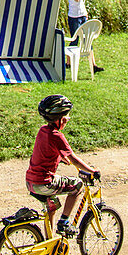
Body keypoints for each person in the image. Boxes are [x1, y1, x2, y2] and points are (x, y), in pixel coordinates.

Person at [25, 95, 99, 237]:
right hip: (44, 183)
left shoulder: (42, 131)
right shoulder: (57, 136)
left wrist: (59, 158)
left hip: (31, 182)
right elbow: (75, 160)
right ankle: (64, 222)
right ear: (59, 119)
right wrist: (92, 171)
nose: (67, 120)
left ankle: (49, 243)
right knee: (77, 185)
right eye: (66, 117)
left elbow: (46, 152)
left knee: (51, 207)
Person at [67, 0, 103, 74]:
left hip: (82, 15)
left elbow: (82, 1)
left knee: (87, 39)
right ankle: (68, 62)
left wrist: (86, 13)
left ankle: (94, 65)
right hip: (74, 17)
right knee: (75, 39)